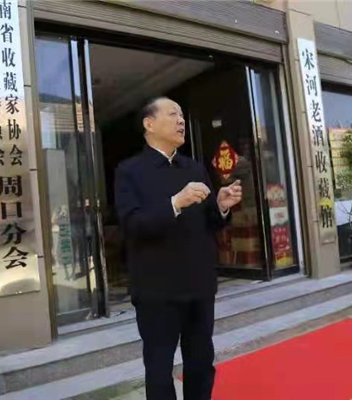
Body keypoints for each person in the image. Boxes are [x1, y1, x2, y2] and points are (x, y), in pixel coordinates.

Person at [115, 97, 243, 400]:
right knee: (159, 369)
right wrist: (175, 203)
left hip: (199, 285)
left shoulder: (195, 168)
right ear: (149, 124)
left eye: (182, 115)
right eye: (173, 114)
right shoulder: (129, 171)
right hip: (156, 291)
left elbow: (210, 223)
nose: (181, 120)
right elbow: (132, 225)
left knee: (201, 363)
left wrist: (221, 206)